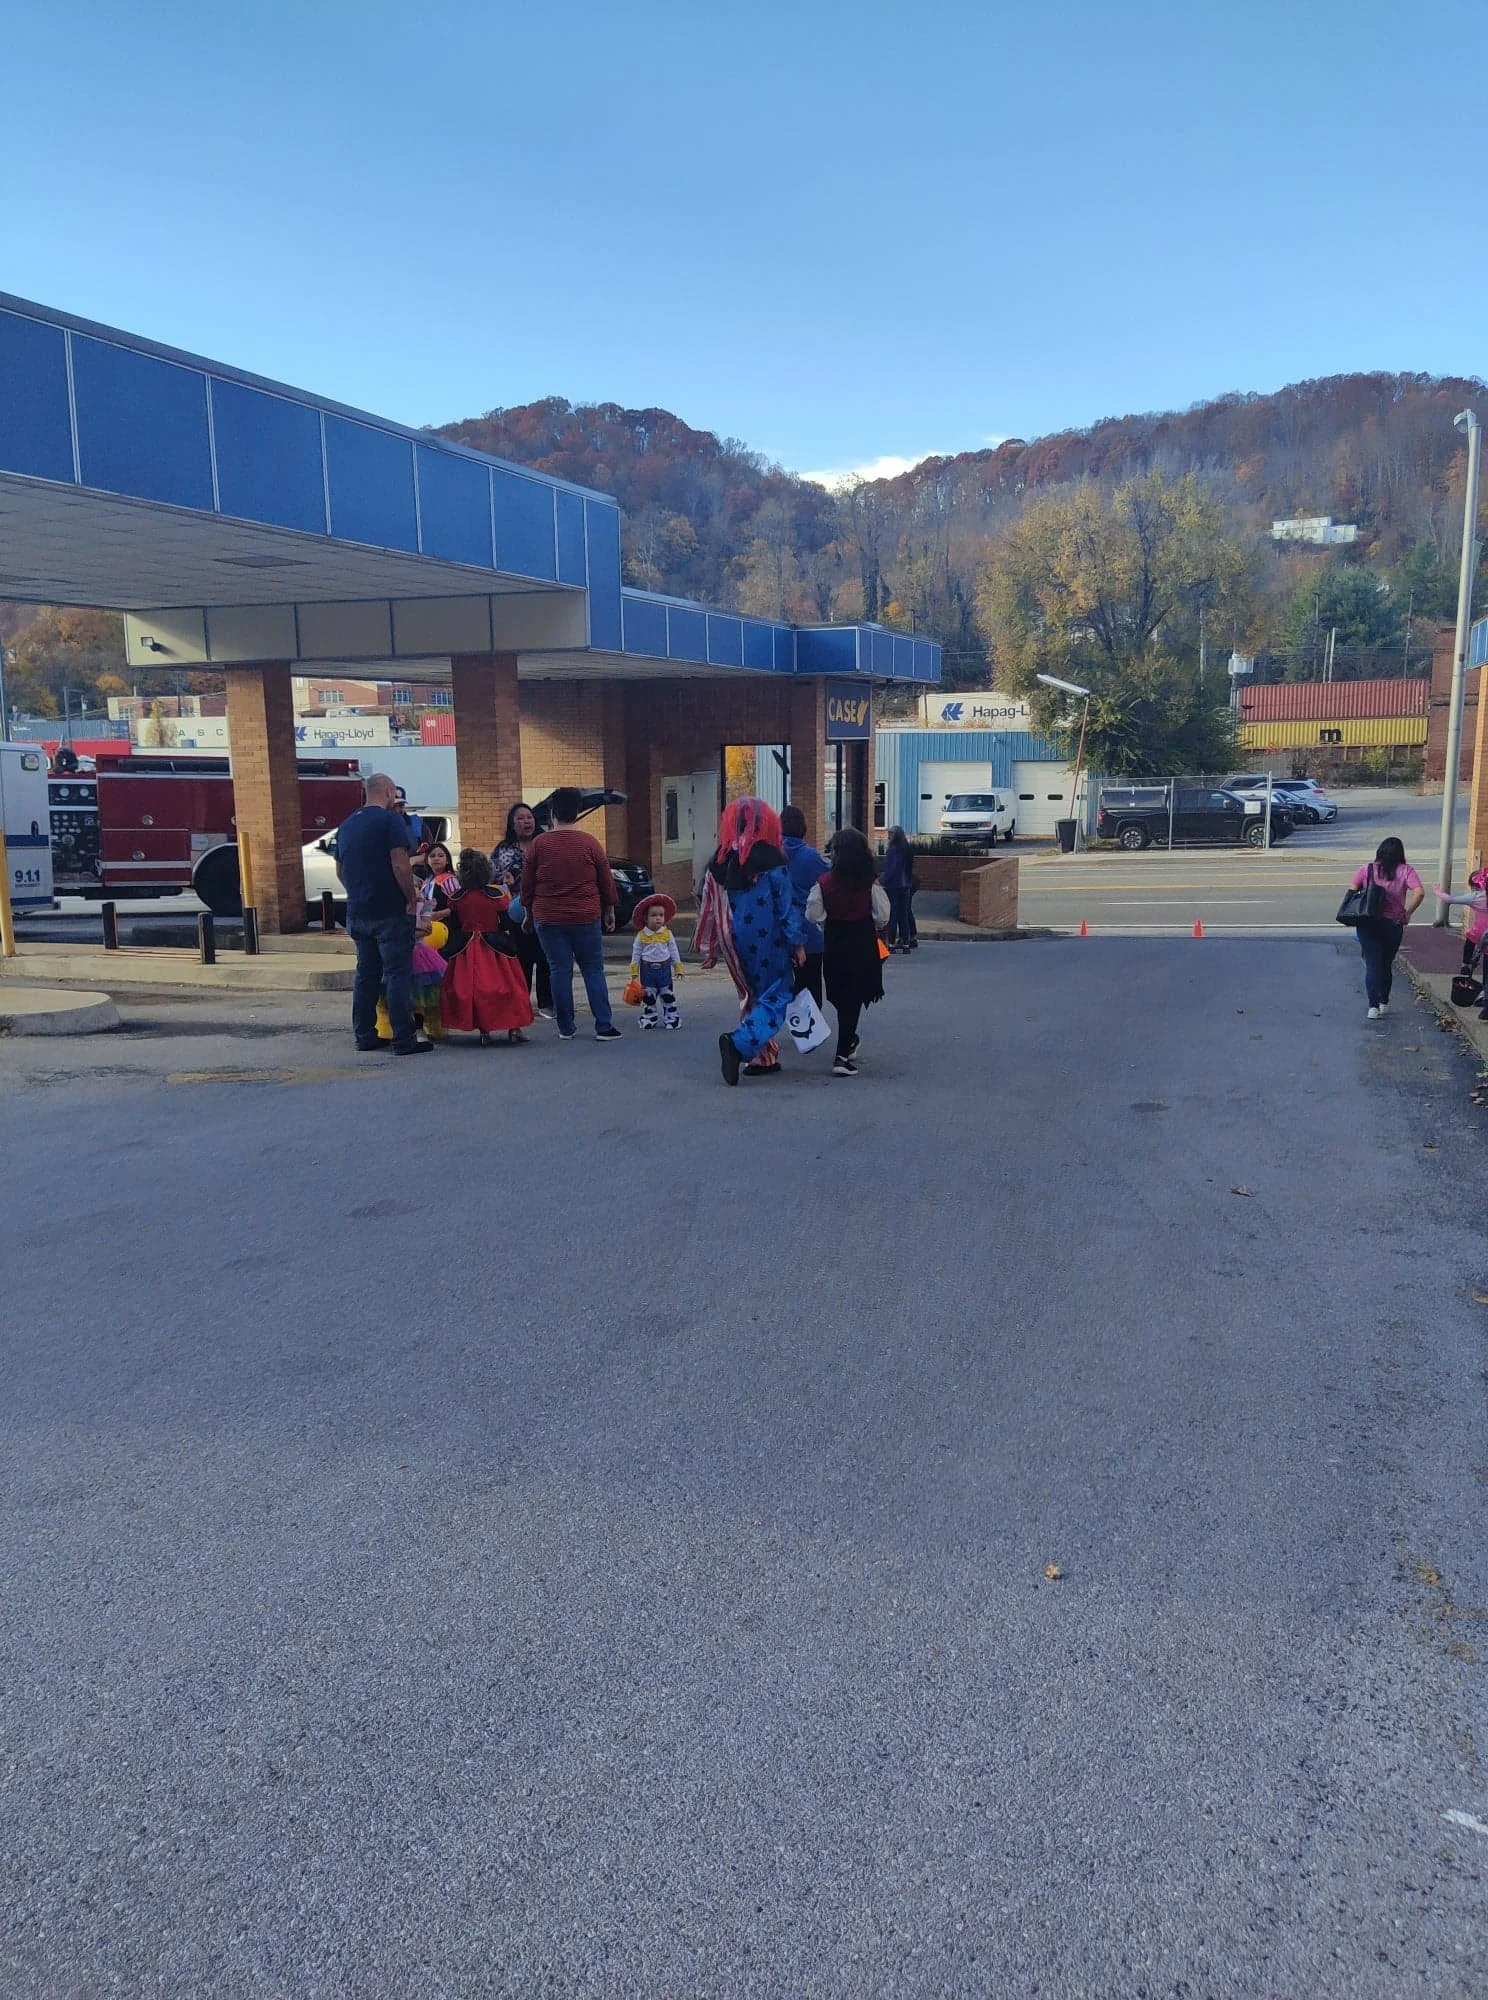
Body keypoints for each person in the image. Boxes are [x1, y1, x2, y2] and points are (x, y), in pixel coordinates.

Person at [709, 797, 803, 1086]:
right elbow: (785, 907)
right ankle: (738, 1043)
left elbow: (710, 904)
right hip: (767, 937)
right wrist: (796, 942)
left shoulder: (722, 858)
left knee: (752, 995)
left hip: (733, 937)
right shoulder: (771, 859)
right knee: (777, 994)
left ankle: (762, 1058)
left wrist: (710, 945)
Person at [336, 772, 432, 1055]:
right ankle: (404, 1038)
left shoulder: (347, 825)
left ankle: (365, 1035)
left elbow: (340, 869)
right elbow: (400, 865)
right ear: (389, 792)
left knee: (366, 973)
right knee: (397, 973)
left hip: (358, 910)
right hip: (389, 911)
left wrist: (356, 891)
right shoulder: (390, 821)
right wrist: (411, 898)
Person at [521, 785, 621, 1041]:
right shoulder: (589, 843)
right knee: (593, 969)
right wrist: (609, 909)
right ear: (576, 812)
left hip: (548, 916)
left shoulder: (538, 845)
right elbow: (605, 881)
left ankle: (566, 1027)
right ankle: (604, 1025)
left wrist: (528, 914)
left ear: (552, 812)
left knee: (559, 970)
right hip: (585, 914)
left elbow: (527, 885)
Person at [805, 826, 889, 1076]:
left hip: (835, 942)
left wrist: (827, 920)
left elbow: (813, 914)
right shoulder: (869, 884)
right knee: (854, 997)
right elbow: (882, 916)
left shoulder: (824, 883)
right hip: (862, 943)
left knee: (840, 996)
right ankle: (842, 1054)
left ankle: (847, 1043)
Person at [439, 850, 535, 1045]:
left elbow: (455, 925)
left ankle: (484, 1031)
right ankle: (514, 1029)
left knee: (474, 990)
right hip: (496, 947)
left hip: (465, 950)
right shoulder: (496, 895)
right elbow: (506, 923)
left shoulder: (457, 897)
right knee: (511, 988)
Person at [1351, 835, 1423, 1020]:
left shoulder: (1367, 869)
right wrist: (1408, 913)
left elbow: (1352, 890)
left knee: (1372, 964)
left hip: (1368, 923)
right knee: (1386, 964)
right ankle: (1384, 1001)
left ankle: (1372, 1007)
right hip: (1393, 924)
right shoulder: (1406, 870)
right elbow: (1420, 893)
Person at [492, 802, 552, 1017]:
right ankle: (521, 1003)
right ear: (512, 823)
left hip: (545, 908)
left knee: (546, 957)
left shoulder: (545, 843)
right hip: (517, 912)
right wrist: (503, 878)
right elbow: (492, 876)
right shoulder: (504, 849)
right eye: (520, 818)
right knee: (521, 958)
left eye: (529, 817)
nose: (526, 821)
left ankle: (546, 1003)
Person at [780, 803, 829, 1006]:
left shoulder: (773, 856)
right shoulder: (811, 857)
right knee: (811, 988)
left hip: (780, 930)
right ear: (803, 828)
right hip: (809, 930)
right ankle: (809, 1022)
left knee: (782, 988)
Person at [629, 894, 682, 1029]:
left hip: (664, 970)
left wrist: (678, 967)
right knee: (648, 996)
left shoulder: (667, 934)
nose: (658, 918)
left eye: (661, 915)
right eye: (653, 915)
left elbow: (674, 951)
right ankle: (649, 1017)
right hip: (647, 971)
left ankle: (672, 1018)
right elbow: (636, 954)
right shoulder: (641, 935)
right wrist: (634, 972)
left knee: (667, 995)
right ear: (646, 918)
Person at [879, 826, 918, 952]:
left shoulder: (892, 850)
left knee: (893, 915)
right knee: (904, 915)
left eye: (891, 833)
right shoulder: (906, 849)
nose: (888, 836)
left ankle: (890, 944)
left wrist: (882, 880)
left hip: (894, 886)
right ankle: (906, 944)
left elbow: (891, 869)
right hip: (906, 885)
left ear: (896, 835)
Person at [417, 841, 460, 916]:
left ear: (447, 860)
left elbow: (458, 905)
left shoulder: (449, 880)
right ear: (427, 861)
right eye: (432, 856)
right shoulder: (426, 882)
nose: (436, 859)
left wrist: (438, 914)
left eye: (440, 856)